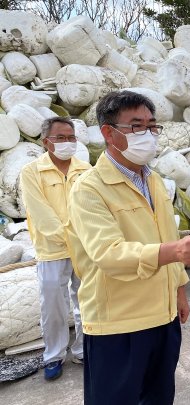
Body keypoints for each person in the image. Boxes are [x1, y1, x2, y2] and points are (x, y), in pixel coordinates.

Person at [66, 91, 190, 404]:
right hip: (118, 324)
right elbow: (108, 254)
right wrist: (174, 252)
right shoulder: (89, 189)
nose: (147, 134)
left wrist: (179, 289)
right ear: (109, 133)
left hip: (163, 317)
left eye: (152, 125)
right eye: (136, 126)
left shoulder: (154, 180)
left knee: (159, 397)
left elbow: (166, 233)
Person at [20, 117, 91, 381]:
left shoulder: (84, 169)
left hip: (84, 246)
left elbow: (91, 206)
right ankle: (54, 356)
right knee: (52, 305)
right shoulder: (32, 172)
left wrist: (87, 238)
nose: (67, 143)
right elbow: (41, 213)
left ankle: (85, 349)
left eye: (71, 137)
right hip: (51, 249)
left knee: (86, 301)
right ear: (45, 141)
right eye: (60, 138)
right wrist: (69, 236)